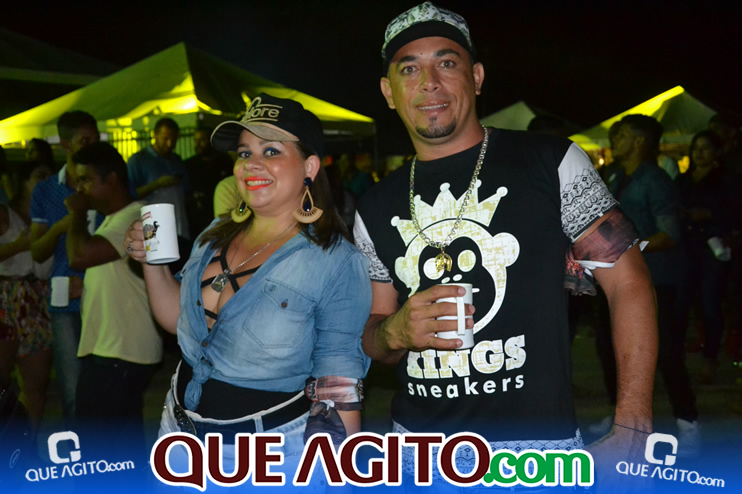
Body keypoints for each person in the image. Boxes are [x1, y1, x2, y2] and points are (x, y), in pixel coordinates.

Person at [353, 2, 657, 488]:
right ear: (390, 92)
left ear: (475, 77)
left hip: (537, 455)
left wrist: (634, 425)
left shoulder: (551, 162)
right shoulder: (373, 204)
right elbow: (371, 333)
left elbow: (629, 283)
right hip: (417, 455)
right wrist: (395, 332)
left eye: (446, 63)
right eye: (409, 69)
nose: (429, 82)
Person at [124, 93, 371, 486]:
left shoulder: (335, 260)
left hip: (268, 458)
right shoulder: (213, 235)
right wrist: (152, 262)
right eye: (244, 153)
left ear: (309, 167)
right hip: (178, 436)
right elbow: (177, 321)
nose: (252, 164)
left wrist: (338, 476)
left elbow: (338, 385)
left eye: (271, 151)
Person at [604, 114, 699, 455]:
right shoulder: (616, 176)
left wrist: (630, 248)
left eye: (622, 136)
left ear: (639, 141)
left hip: (659, 279)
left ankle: (688, 424)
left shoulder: (656, 180)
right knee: (612, 348)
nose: (615, 141)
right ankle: (620, 419)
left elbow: (669, 234)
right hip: (622, 279)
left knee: (668, 353)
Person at [64, 141, 162, 458]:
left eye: (86, 180)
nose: (80, 189)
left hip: (120, 350)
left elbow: (79, 255)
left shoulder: (135, 217)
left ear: (112, 180)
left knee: (96, 447)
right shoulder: (116, 218)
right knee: (122, 446)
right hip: (118, 348)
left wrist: (77, 213)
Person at [29, 110, 100, 423]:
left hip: (105, 296)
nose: (92, 146)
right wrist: (61, 227)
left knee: (106, 390)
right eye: (85, 140)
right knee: (72, 393)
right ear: (65, 144)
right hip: (65, 301)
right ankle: (78, 452)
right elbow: (37, 251)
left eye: (95, 140)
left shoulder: (105, 184)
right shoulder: (46, 191)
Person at [676, 130, 737, 384]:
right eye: (696, 148)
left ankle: (710, 358)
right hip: (686, 245)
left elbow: (735, 211)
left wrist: (710, 215)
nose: (699, 153)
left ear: (717, 152)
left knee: (711, 302)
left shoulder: (727, 180)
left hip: (713, 245)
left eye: (706, 148)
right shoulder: (683, 180)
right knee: (682, 303)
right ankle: (676, 357)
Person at [0, 160, 54, 432]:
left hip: (39, 298)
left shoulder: (52, 214)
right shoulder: (5, 213)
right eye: (39, 176)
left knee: (36, 384)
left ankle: (26, 445)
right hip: (7, 296)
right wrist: (19, 245)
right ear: (23, 181)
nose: (46, 183)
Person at [126, 117, 191, 240]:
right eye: (165, 139)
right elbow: (129, 196)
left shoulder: (177, 160)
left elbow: (187, 193)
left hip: (179, 225)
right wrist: (157, 184)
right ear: (155, 135)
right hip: (152, 227)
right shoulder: (138, 161)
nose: (169, 144)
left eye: (173, 140)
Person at [184, 126, 234, 234]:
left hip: (222, 216)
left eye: (202, 140)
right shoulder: (189, 164)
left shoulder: (224, 161)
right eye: (195, 140)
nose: (198, 144)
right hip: (197, 221)